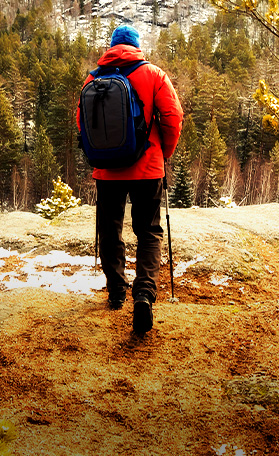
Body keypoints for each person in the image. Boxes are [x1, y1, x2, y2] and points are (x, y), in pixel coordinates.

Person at [79, 25, 183, 335]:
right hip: (148, 168)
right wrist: (163, 152)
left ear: (111, 47)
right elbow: (173, 117)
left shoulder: (93, 78)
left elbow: (82, 125)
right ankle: (144, 295)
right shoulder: (153, 74)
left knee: (110, 229)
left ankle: (115, 292)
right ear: (136, 47)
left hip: (107, 170)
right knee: (149, 231)